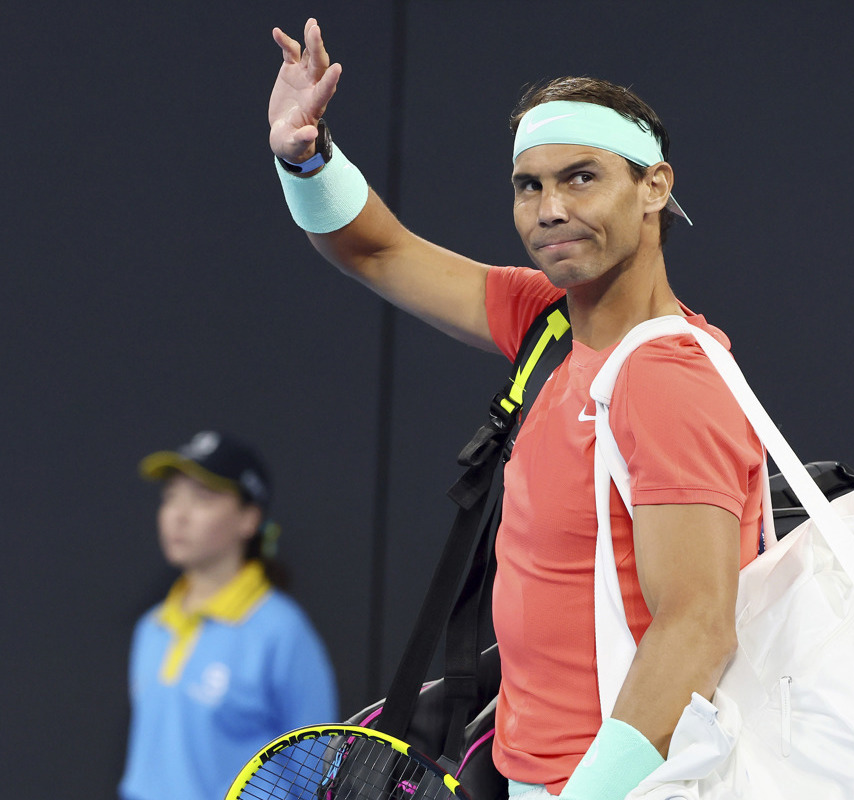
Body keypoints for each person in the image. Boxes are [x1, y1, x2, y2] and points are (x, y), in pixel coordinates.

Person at [267, 19, 766, 800]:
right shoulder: (551, 321)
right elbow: (380, 250)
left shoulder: (668, 378)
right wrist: (304, 155)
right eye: (528, 185)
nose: (549, 209)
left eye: (580, 178)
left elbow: (696, 630)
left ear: (655, 187)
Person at [119, 430, 338, 800]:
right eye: (171, 497)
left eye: (202, 498)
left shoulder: (283, 633)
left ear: (249, 519)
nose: (179, 515)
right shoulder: (151, 628)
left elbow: (316, 776)